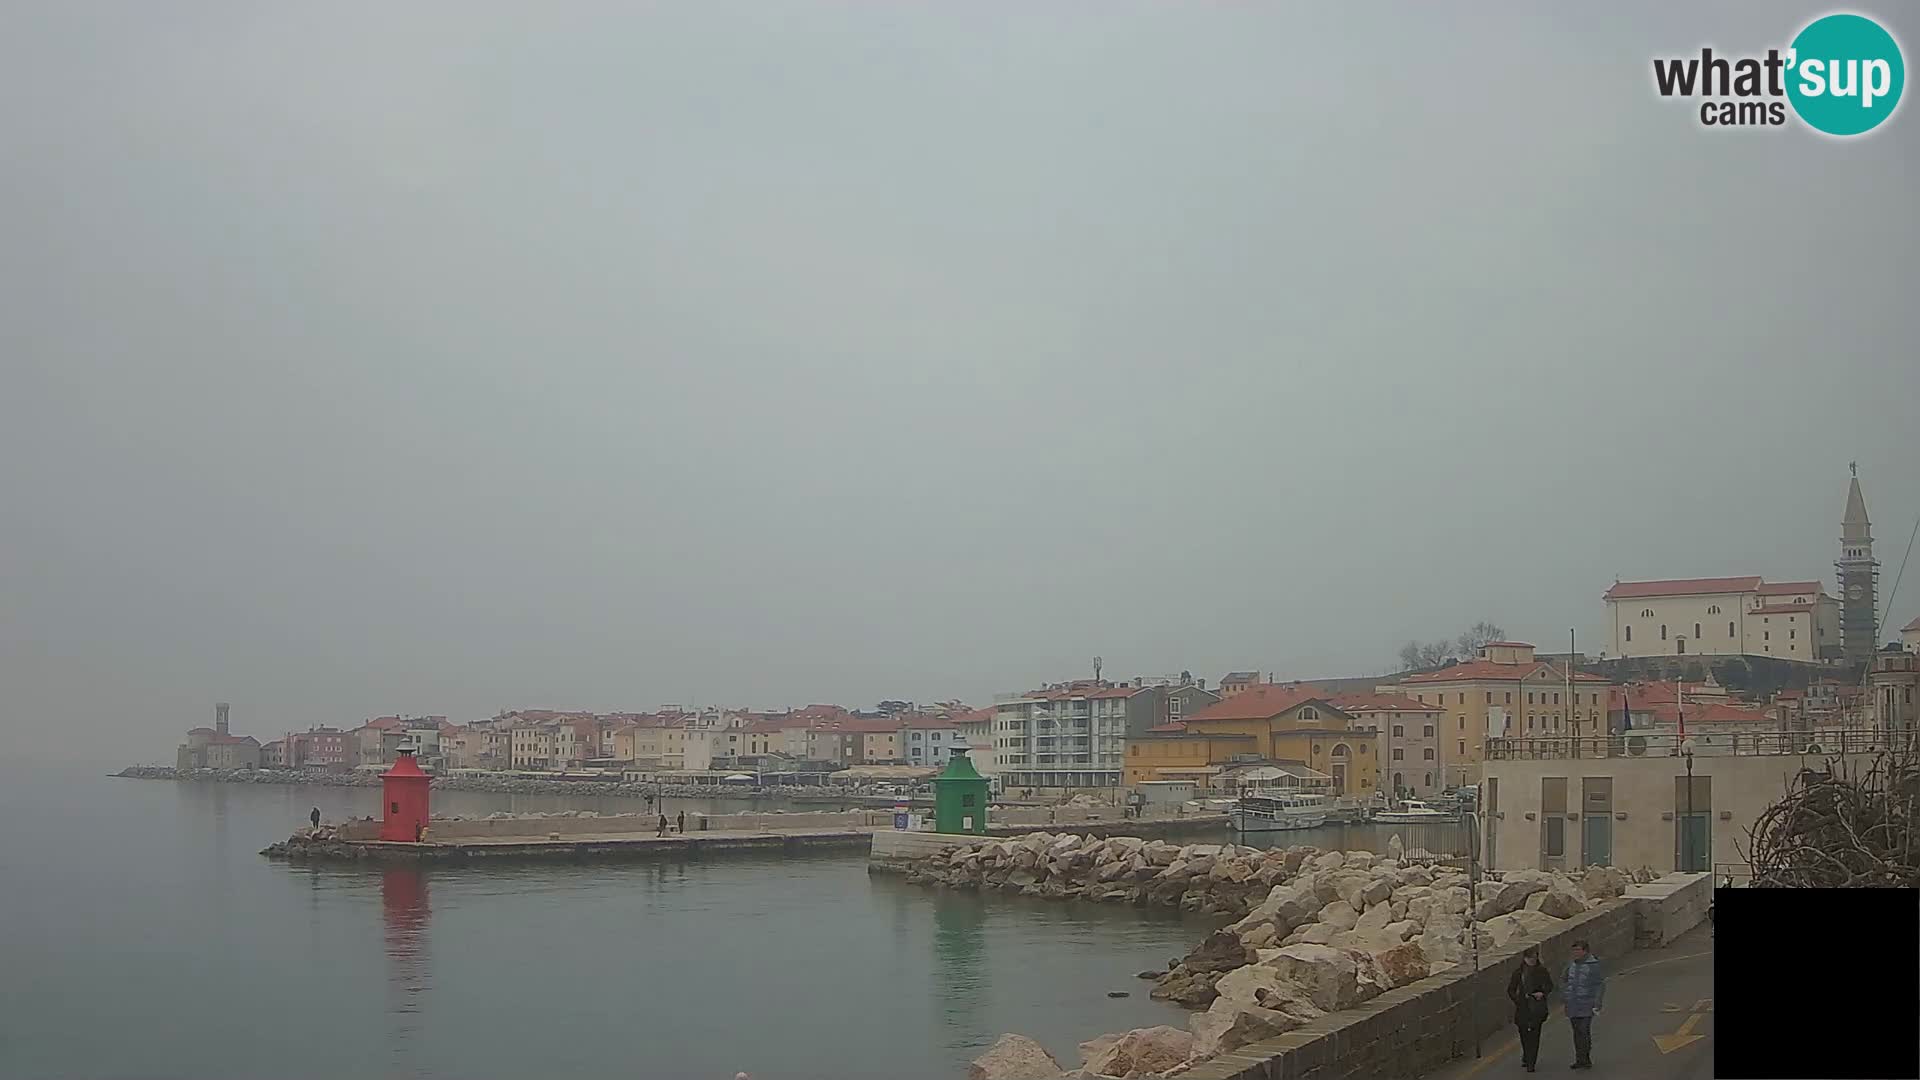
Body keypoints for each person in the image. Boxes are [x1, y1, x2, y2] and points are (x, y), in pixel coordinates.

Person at [1506, 945, 1554, 1072]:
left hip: (1537, 1008)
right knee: (1524, 1035)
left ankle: (1531, 1062)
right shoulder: (1518, 973)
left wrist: (1542, 993)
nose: (1532, 960)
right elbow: (1511, 989)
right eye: (1530, 958)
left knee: (1534, 1035)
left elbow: (1549, 985)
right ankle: (1527, 1056)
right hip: (1523, 1009)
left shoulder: (1542, 971)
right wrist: (1518, 1001)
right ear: (1524, 958)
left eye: (1534, 958)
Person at [1562, 939, 1605, 1070]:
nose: (1575, 953)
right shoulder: (1571, 965)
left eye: (1578, 950)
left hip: (1586, 1003)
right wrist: (1564, 994)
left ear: (1585, 951)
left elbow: (1599, 984)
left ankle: (1585, 1057)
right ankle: (1579, 1058)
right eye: (1574, 950)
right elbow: (1563, 979)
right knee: (1576, 1032)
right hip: (1572, 1003)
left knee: (1584, 1031)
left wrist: (1597, 1002)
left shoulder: (1593, 965)